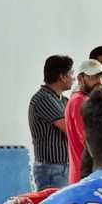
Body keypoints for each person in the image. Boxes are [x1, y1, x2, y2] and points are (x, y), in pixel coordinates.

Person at [28, 55, 73, 190]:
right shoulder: (44, 98)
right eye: (71, 73)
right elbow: (69, 129)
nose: (74, 78)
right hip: (52, 170)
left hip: (64, 167)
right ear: (62, 76)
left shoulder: (63, 100)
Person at [64, 58, 102, 184]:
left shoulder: (79, 99)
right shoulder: (80, 101)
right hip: (85, 177)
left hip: (84, 176)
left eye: (101, 76)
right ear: (80, 78)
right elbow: (87, 140)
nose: (99, 81)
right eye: (93, 77)